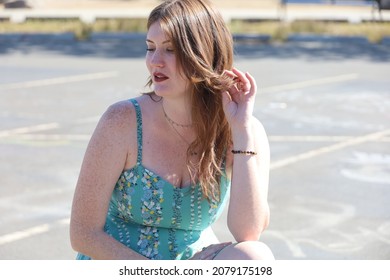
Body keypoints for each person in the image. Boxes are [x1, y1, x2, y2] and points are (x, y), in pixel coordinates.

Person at [70, 0, 274, 260]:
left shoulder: (245, 129)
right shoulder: (122, 121)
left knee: (255, 257)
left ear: (203, 54)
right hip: (121, 264)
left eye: (170, 50)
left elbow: (249, 231)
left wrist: (242, 130)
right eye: (150, 48)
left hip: (189, 261)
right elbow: (82, 233)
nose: (155, 61)